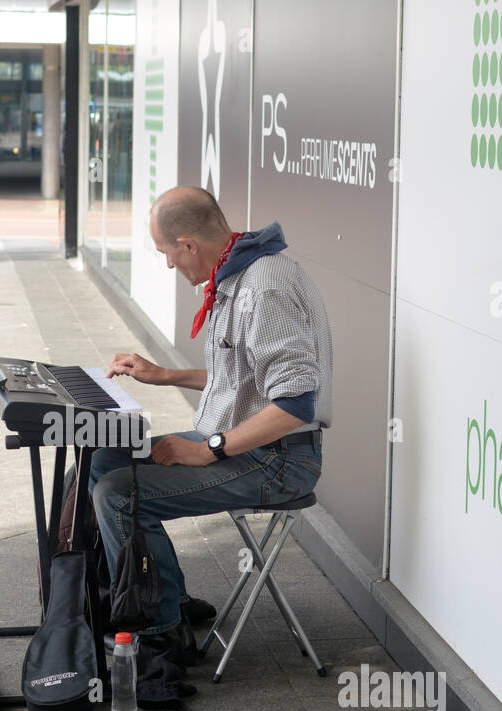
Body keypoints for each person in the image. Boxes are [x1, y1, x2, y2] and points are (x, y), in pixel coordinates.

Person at [89, 185, 332, 648]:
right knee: (105, 462)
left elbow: (296, 402)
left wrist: (206, 450)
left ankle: (158, 637)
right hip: (249, 445)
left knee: (117, 494)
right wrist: (164, 375)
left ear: (188, 245)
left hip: (278, 461)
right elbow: (248, 379)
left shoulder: (265, 289)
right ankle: (170, 602)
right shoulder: (240, 272)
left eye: (166, 252)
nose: (167, 264)